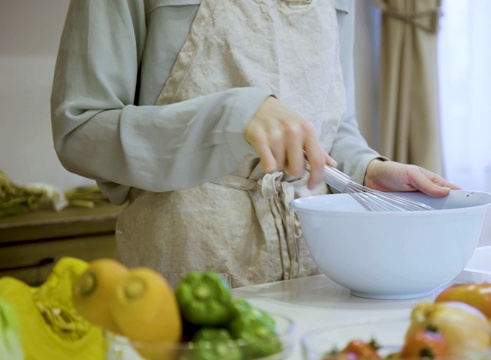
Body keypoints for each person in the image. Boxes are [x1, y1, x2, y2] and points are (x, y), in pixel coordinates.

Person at [50, 0, 459, 288]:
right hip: (191, 268)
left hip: (319, 269)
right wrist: (230, 115)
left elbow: (331, 123)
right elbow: (81, 132)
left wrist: (366, 168)